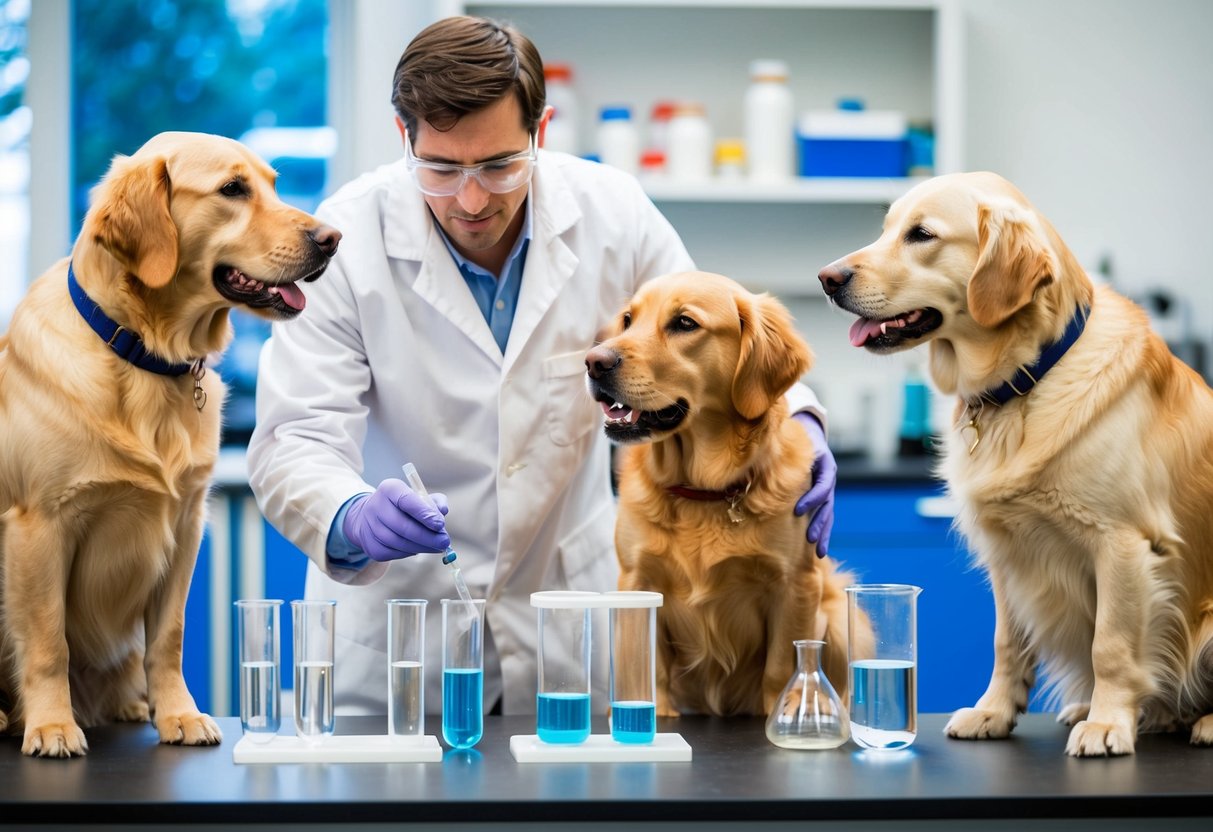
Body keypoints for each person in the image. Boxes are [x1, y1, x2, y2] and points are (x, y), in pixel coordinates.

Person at [247, 15, 838, 717]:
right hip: (402, 643)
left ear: (541, 132)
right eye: (441, 169)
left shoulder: (610, 212)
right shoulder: (350, 237)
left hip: (568, 632)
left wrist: (800, 418)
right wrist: (349, 515)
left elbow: (712, 336)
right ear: (404, 138)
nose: (472, 200)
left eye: (499, 165)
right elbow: (293, 439)